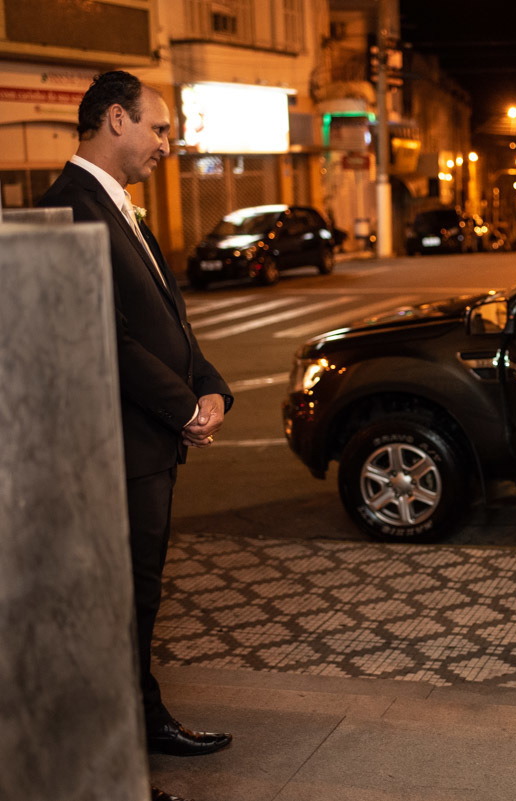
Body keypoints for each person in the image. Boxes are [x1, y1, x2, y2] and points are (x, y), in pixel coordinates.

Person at [39, 71, 234, 798]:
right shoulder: (69, 208)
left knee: (142, 600)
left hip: (150, 444)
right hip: (115, 448)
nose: (167, 142)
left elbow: (168, 324)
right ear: (116, 120)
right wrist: (184, 406)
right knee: (118, 606)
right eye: (158, 127)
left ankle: (145, 720)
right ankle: (117, 764)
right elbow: (104, 334)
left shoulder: (123, 210)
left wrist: (212, 383)